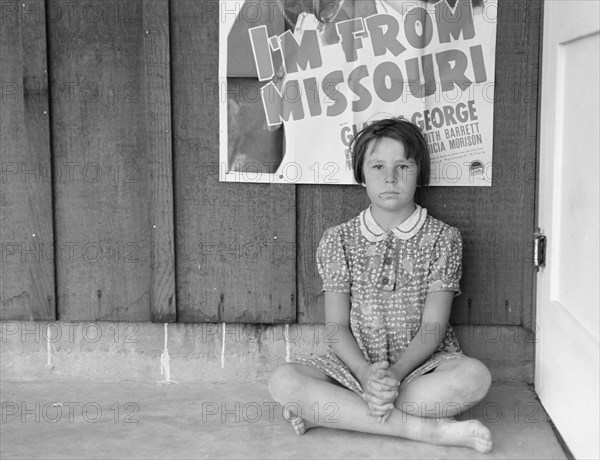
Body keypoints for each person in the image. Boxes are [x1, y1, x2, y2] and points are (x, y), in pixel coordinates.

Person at [268, 117, 493, 453]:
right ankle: (424, 431)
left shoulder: (442, 238)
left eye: (403, 165)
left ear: (420, 173)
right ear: (361, 176)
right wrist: (364, 373)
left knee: (475, 377)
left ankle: (337, 413)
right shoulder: (339, 239)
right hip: (350, 368)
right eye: (377, 167)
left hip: (420, 369)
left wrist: (396, 374)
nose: (391, 177)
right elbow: (336, 327)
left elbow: (434, 326)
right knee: (282, 381)